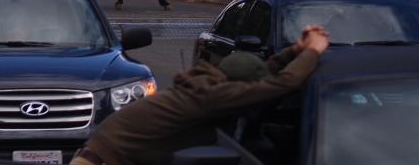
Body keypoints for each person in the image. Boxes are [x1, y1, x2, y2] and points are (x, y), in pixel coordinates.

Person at [70, 25, 330, 165]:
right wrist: (313, 52)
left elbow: (261, 76)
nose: (251, 102)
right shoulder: (212, 97)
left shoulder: (213, 83)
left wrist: (295, 50)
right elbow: (278, 86)